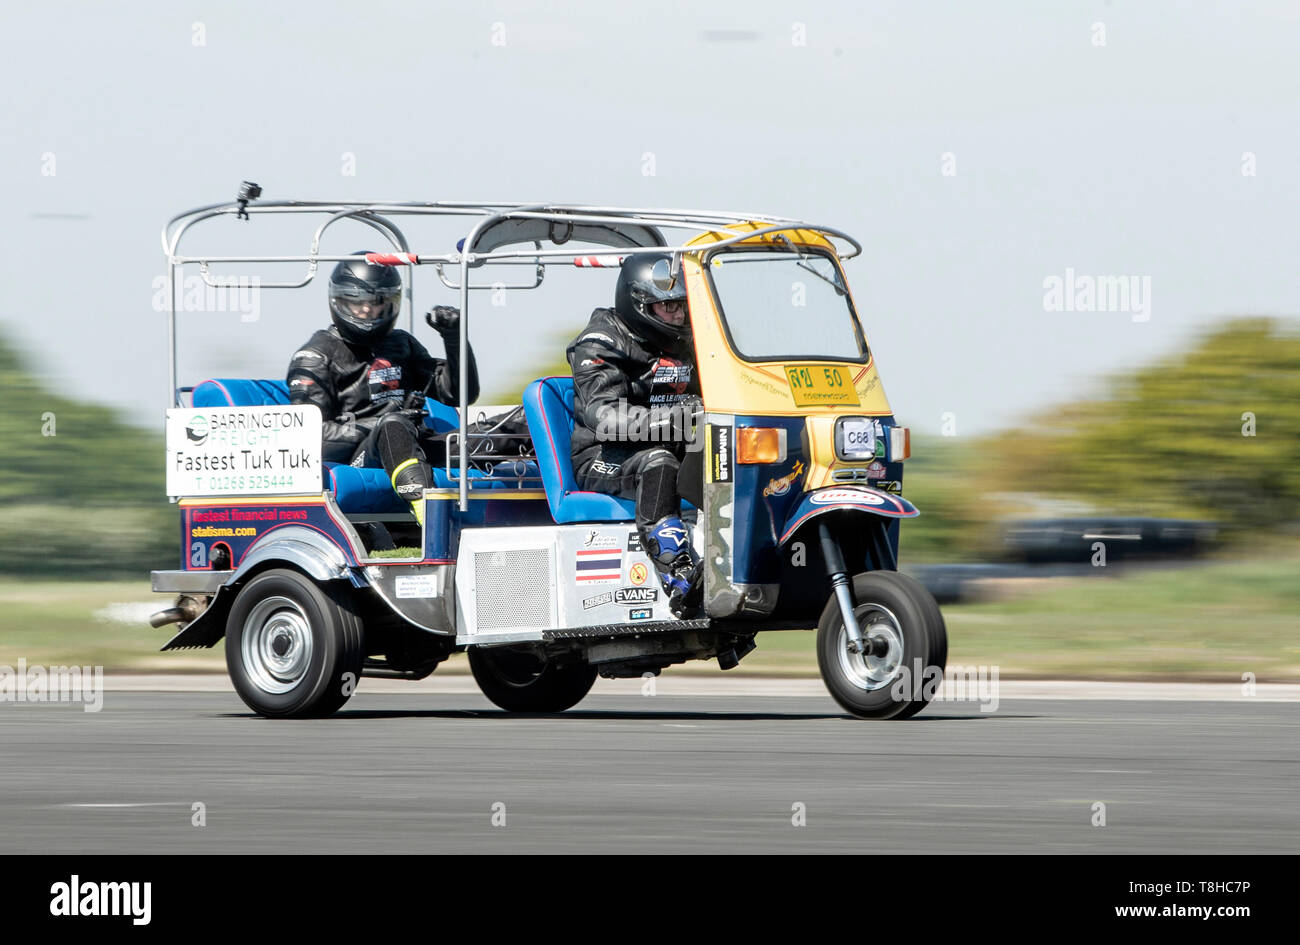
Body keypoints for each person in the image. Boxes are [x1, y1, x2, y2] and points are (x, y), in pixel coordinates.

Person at [286, 251, 479, 526]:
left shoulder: (401, 343)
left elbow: (459, 393)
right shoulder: (315, 356)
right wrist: (383, 423)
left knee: (506, 432)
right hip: (359, 457)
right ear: (340, 301)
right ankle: (432, 521)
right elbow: (308, 436)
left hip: (415, 442)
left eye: (377, 303)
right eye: (358, 304)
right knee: (393, 426)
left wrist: (454, 337)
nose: (368, 311)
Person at [567, 252, 703, 617]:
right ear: (639, 304)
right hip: (603, 456)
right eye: (668, 306)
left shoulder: (690, 340)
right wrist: (682, 420)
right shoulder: (600, 342)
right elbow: (604, 417)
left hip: (674, 443)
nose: (678, 315)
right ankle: (681, 576)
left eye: (683, 306)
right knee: (659, 463)